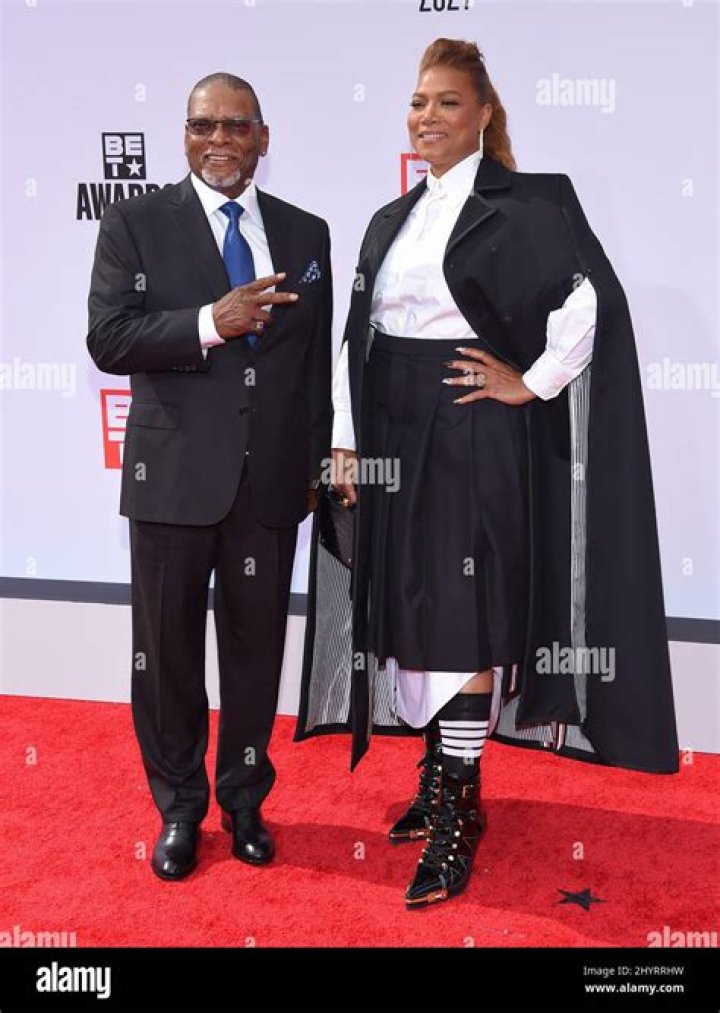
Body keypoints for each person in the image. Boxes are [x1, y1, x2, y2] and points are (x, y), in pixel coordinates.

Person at [296, 39, 678, 909]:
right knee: (410, 609)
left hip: (469, 430)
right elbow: (356, 338)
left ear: (483, 115)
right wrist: (347, 441)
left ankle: (460, 804)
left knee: (463, 616)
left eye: (447, 102)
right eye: (417, 101)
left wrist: (532, 380)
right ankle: (442, 775)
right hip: (392, 428)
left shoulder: (529, 204)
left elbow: (593, 299)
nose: (426, 116)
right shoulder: (390, 217)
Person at [87, 72, 332, 881]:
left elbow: (313, 369)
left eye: (234, 125)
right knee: (167, 656)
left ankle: (245, 800)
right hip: (171, 480)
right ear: (185, 135)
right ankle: (180, 809)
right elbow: (109, 338)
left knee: (256, 656)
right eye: (202, 126)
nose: (217, 140)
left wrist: (315, 461)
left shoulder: (306, 233)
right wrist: (208, 323)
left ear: (263, 137)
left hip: (270, 486)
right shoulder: (134, 223)